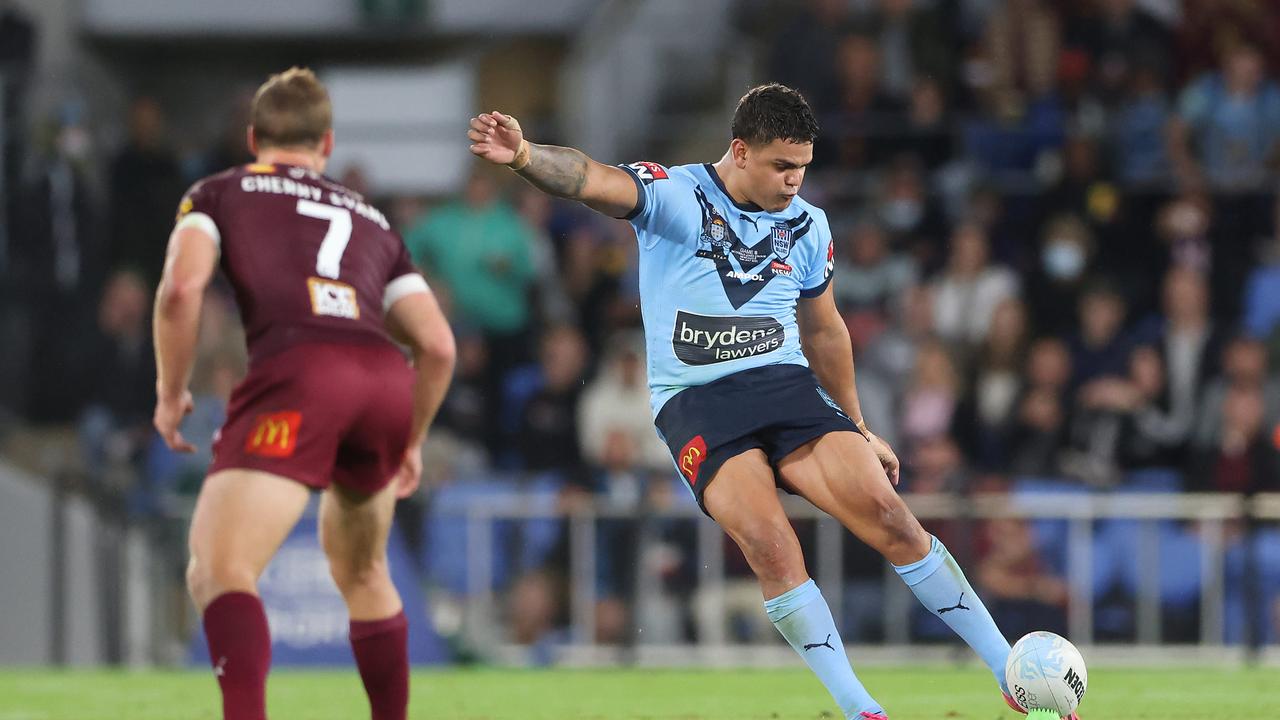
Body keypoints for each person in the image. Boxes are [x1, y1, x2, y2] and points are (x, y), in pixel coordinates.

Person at [467, 84, 1063, 720]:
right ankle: (860, 707)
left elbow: (827, 329)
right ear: (739, 150)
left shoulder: (808, 224)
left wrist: (858, 425)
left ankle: (1009, 669)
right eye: (782, 166)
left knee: (890, 515)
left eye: (803, 168)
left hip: (784, 383)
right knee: (770, 544)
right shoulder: (676, 195)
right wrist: (526, 154)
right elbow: (590, 178)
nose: (794, 182)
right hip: (696, 400)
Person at [152, 68, 455, 720]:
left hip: (299, 370)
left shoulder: (219, 192)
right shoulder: (372, 218)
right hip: (382, 380)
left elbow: (181, 288)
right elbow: (436, 347)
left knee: (220, 569)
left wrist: (170, 390)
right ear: (327, 143)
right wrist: (413, 440)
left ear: (255, 136)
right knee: (365, 574)